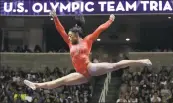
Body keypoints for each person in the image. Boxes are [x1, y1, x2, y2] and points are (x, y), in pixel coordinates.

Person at [24, 10, 152, 90]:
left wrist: (110, 20)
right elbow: (60, 30)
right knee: (60, 81)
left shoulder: (87, 40)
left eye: (70, 34)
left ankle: (142, 61)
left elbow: (100, 29)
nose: (68, 36)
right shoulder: (69, 42)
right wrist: (55, 17)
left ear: (76, 34)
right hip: (81, 74)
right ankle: (36, 85)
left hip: (90, 67)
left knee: (115, 65)